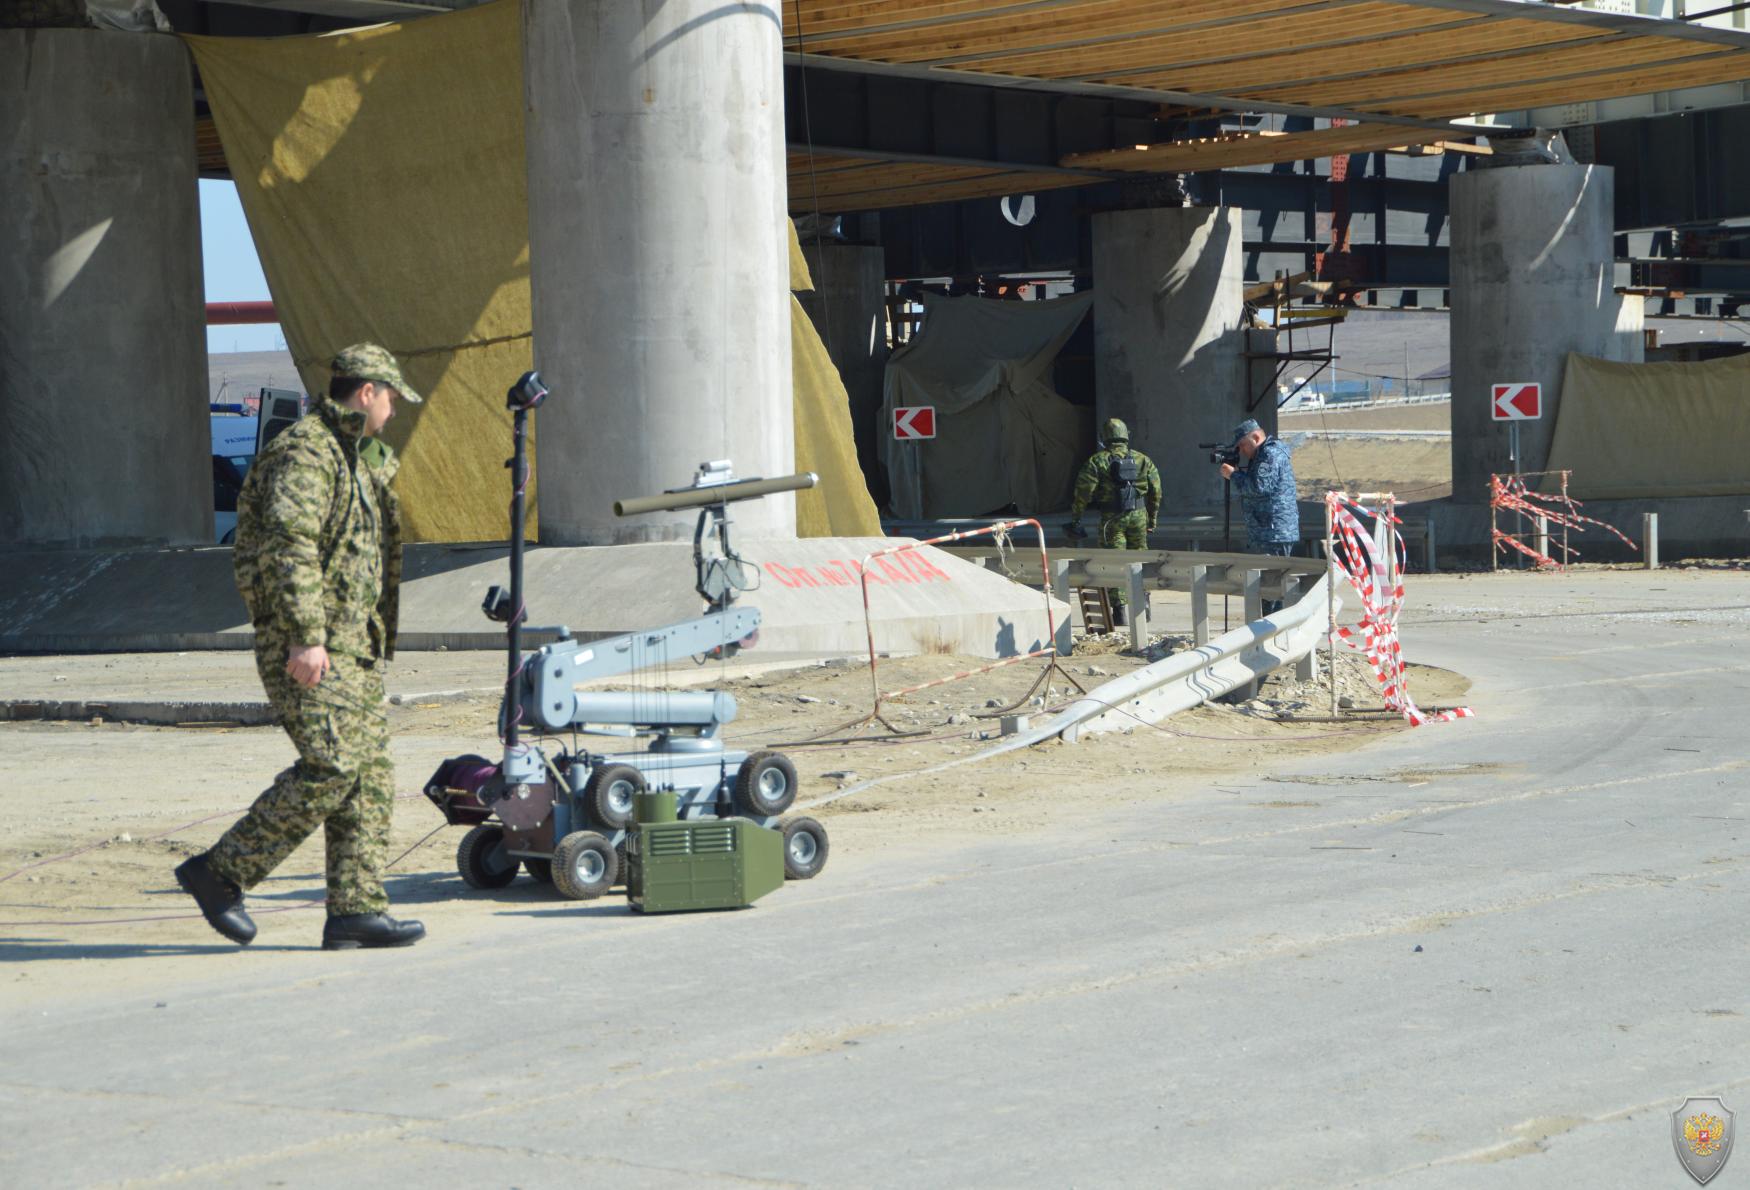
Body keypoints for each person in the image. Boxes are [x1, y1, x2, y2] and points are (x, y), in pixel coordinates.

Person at [175, 344, 424, 950]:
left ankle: (355, 910)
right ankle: (219, 872)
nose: (394, 410)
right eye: (390, 397)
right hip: (310, 643)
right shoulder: (306, 453)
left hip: (353, 646)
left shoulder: (352, 456)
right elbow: (290, 547)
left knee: (368, 777)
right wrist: (306, 637)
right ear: (366, 392)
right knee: (332, 764)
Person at [1065, 417, 1161, 628]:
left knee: (1115, 563)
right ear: (1127, 435)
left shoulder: (1097, 461)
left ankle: (1119, 613)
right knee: (1140, 560)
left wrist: (1076, 520)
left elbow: (1083, 493)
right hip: (1138, 517)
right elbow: (1156, 492)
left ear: (1104, 438)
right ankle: (1144, 606)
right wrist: (1151, 519)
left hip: (1112, 519)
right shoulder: (1143, 459)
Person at [1220, 417, 1300, 613]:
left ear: (1255, 437)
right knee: (1269, 586)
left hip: (1274, 532)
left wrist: (1233, 475)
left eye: (1243, 445)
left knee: (1273, 587)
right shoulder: (1262, 455)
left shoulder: (1270, 454)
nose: (1241, 451)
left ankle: (1274, 632)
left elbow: (1259, 487)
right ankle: (1271, 629)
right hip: (1269, 530)